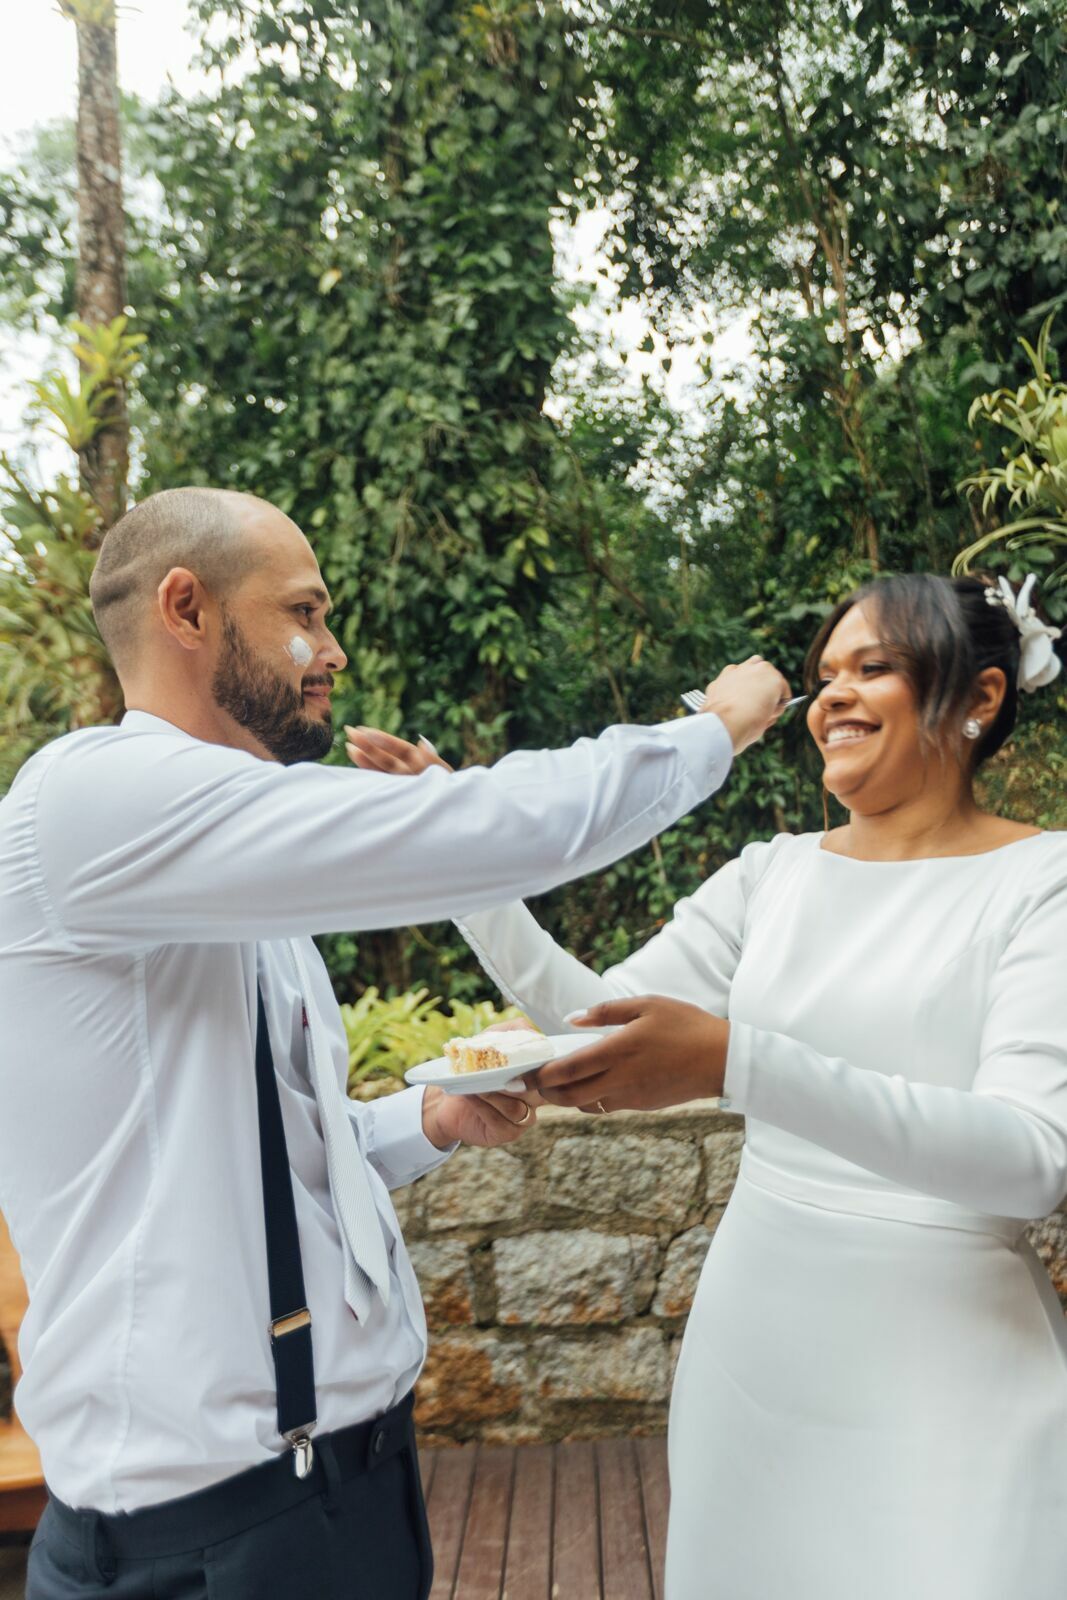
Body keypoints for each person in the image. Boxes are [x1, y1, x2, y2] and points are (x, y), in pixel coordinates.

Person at [0, 486, 789, 1600]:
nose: (329, 650)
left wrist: (422, 1120)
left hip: (344, 1491)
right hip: (206, 1534)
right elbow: (473, 833)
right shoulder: (95, 800)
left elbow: (263, 1151)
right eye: (304, 613)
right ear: (187, 608)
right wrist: (711, 730)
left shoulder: (222, 863)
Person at [358, 572, 1067, 1600]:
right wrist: (462, 864)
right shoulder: (768, 873)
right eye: (824, 673)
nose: (831, 696)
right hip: (756, 1348)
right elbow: (586, 1021)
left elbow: (1028, 1161)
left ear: (980, 697)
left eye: (872, 667)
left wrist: (737, 1061)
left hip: (949, 1359)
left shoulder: (1041, 883)